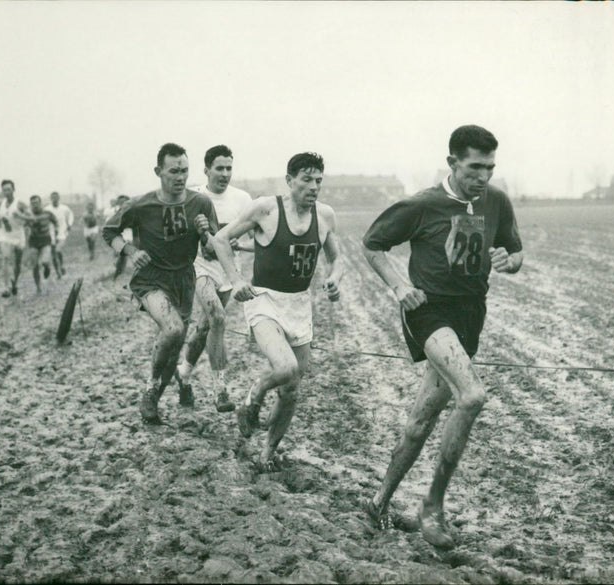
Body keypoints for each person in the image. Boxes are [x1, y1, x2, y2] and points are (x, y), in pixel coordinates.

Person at [360, 125, 524, 549]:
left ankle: (377, 503)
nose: (483, 176)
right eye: (474, 167)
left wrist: (511, 259)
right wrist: (399, 287)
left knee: (422, 419)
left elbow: (515, 250)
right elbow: (373, 244)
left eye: (490, 167)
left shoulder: (497, 201)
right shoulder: (424, 204)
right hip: (428, 311)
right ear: (452, 163)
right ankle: (433, 506)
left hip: (470, 314)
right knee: (471, 395)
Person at [213, 152, 343, 471]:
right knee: (285, 368)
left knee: (291, 391)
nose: (314, 187)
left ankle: (267, 453)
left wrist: (334, 279)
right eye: (307, 180)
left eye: (318, 181)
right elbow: (220, 239)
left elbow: (336, 258)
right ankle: (251, 400)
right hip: (264, 300)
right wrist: (236, 279)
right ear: (289, 180)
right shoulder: (265, 208)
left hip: (299, 305)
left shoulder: (325, 216)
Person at [102, 143, 218, 424]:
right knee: (173, 328)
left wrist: (205, 234)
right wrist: (131, 251)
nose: (180, 177)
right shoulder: (141, 205)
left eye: (185, 171)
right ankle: (150, 390)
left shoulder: (200, 203)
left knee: (175, 345)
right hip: (150, 278)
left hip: (183, 280)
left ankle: (161, 387)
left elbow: (212, 252)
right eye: (174, 171)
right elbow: (109, 231)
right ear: (158, 172)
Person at [174, 145, 253, 413]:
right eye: (219, 168)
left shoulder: (242, 199)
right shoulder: (194, 197)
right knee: (217, 317)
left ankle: (183, 373)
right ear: (206, 170)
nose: (225, 173)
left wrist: (240, 245)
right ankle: (220, 390)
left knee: (206, 328)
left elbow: (254, 239)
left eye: (229, 168)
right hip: (200, 267)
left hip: (229, 272)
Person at [0, 180, 27, 298]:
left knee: (17, 263)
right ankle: (6, 287)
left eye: (9, 189)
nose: (6, 192)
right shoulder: (0, 203)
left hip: (18, 235)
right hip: (5, 235)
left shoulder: (20, 203)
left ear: (13, 189)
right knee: (6, 258)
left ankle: (15, 283)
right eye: (4, 190)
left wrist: (20, 215)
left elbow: (29, 217)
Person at [24, 195, 58, 294]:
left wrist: (56, 229)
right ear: (30, 205)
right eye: (32, 203)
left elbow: (55, 221)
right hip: (33, 241)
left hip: (45, 240)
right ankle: (38, 286)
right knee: (34, 265)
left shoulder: (47, 213)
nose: (35, 205)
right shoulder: (28, 216)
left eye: (36, 203)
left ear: (40, 203)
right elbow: (22, 226)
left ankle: (47, 267)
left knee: (45, 261)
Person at [45, 191, 74, 278]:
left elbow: (71, 216)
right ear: (51, 199)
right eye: (53, 197)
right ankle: (58, 271)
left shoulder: (65, 208)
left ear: (59, 198)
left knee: (58, 250)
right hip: (50, 234)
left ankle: (61, 266)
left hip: (62, 232)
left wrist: (69, 224)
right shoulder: (47, 209)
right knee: (54, 254)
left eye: (56, 197)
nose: (54, 199)